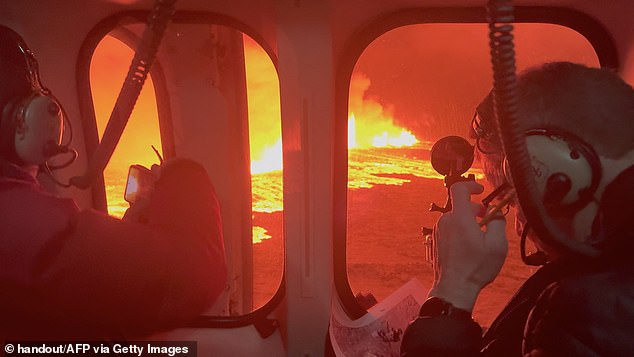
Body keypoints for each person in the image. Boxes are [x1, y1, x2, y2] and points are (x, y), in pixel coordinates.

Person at [0, 25, 227, 339]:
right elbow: (195, 273)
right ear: (22, 119)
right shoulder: (25, 223)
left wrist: (130, 228)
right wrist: (182, 174)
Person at [401, 62, 634, 356]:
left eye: (513, 198)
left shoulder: (587, 315)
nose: (519, 225)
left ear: (565, 175)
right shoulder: (607, 279)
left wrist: (453, 292)